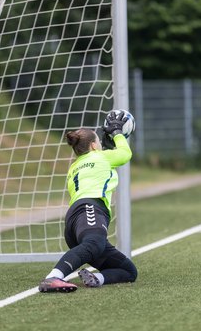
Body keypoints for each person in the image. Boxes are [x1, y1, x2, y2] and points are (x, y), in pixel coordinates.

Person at [39, 111, 138, 292]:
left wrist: (106, 148)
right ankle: (53, 277)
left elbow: (98, 165)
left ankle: (96, 278)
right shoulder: (101, 157)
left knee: (128, 271)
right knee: (94, 244)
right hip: (90, 210)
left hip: (74, 223)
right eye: (99, 143)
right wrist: (117, 134)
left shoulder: (74, 166)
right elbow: (125, 154)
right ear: (93, 146)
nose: (101, 145)